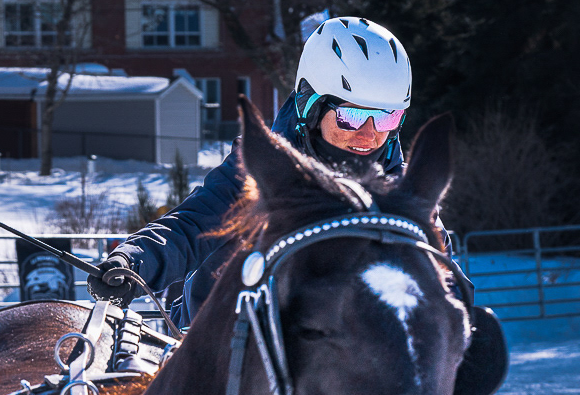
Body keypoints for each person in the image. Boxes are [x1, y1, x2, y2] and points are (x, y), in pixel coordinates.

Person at [89, 17, 414, 325]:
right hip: (219, 339)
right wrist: (133, 261)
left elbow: (433, 272)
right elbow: (194, 225)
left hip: (338, 351)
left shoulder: (401, 190)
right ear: (311, 107)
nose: (370, 135)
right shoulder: (260, 169)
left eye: (387, 117)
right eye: (352, 116)